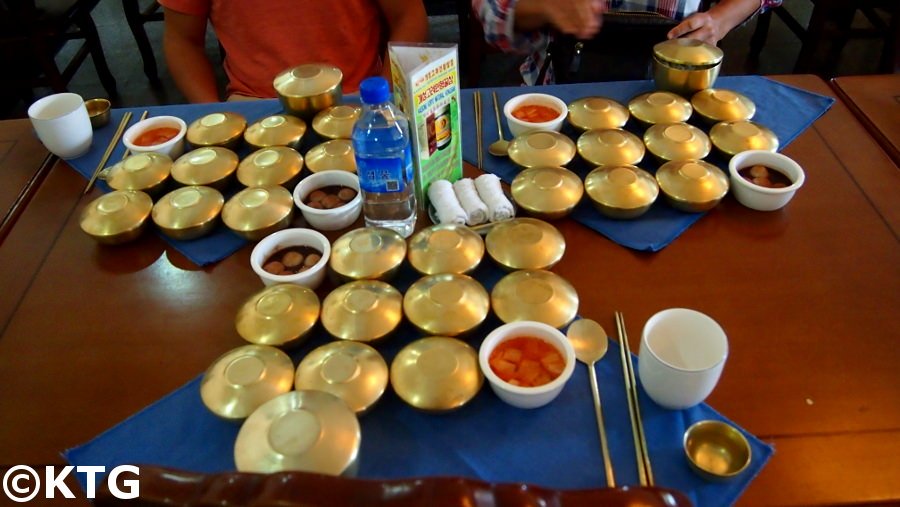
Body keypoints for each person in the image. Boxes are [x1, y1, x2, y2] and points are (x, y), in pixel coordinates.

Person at [159, 0, 429, 102]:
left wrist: (380, 98)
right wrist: (212, 116)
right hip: (254, 104)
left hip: (355, 98)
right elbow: (182, 40)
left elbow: (409, 16)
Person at [473, 0, 783, 85]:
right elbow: (491, 11)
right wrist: (544, 6)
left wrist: (720, 18)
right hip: (562, 85)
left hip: (679, 88)